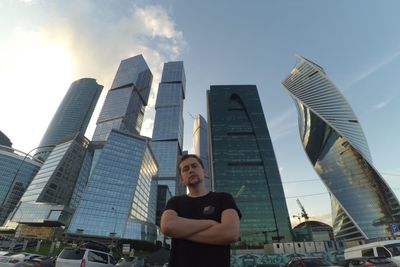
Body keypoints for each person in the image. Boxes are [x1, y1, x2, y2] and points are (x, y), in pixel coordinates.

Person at [160, 154, 241, 267]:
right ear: (182, 179)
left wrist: (180, 231)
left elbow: (230, 233)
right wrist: (210, 223)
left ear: (204, 171)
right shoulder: (175, 202)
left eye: (194, 166)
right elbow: (167, 226)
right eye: (185, 169)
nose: (191, 170)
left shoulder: (224, 198)